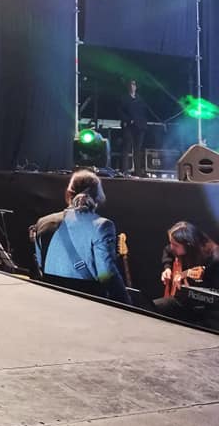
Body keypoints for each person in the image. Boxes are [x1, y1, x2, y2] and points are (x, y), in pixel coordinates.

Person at [31, 169, 129, 304]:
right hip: (88, 303)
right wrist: (127, 303)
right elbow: (106, 275)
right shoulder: (102, 226)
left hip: (51, 300)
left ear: (69, 194)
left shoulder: (43, 222)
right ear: (97, 197)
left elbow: (41, 265)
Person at [153, 221, 219, 325]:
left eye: (175, 245)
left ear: (189, 245)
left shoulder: (215, 259)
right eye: (171, 243)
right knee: (152, 308)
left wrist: (188, 278)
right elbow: (168, 251)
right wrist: (167, 268)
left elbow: (213, 296)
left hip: (208, 310)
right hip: (185, 301)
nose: (172, 247)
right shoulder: (181, 249)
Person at [119, 79, 149, 177]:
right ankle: (124, 171)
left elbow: (144, 112)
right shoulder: (124, 98)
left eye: (134, 84)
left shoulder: (140, 99)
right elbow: (120, 112)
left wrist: (143, 123)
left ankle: (138, 171)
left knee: (137, 149)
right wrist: (128, 120)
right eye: (131, 84)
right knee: (126, 148)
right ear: (128, 86)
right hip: (129, 126)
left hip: (140, 127)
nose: (132, 86)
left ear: (136, 87)